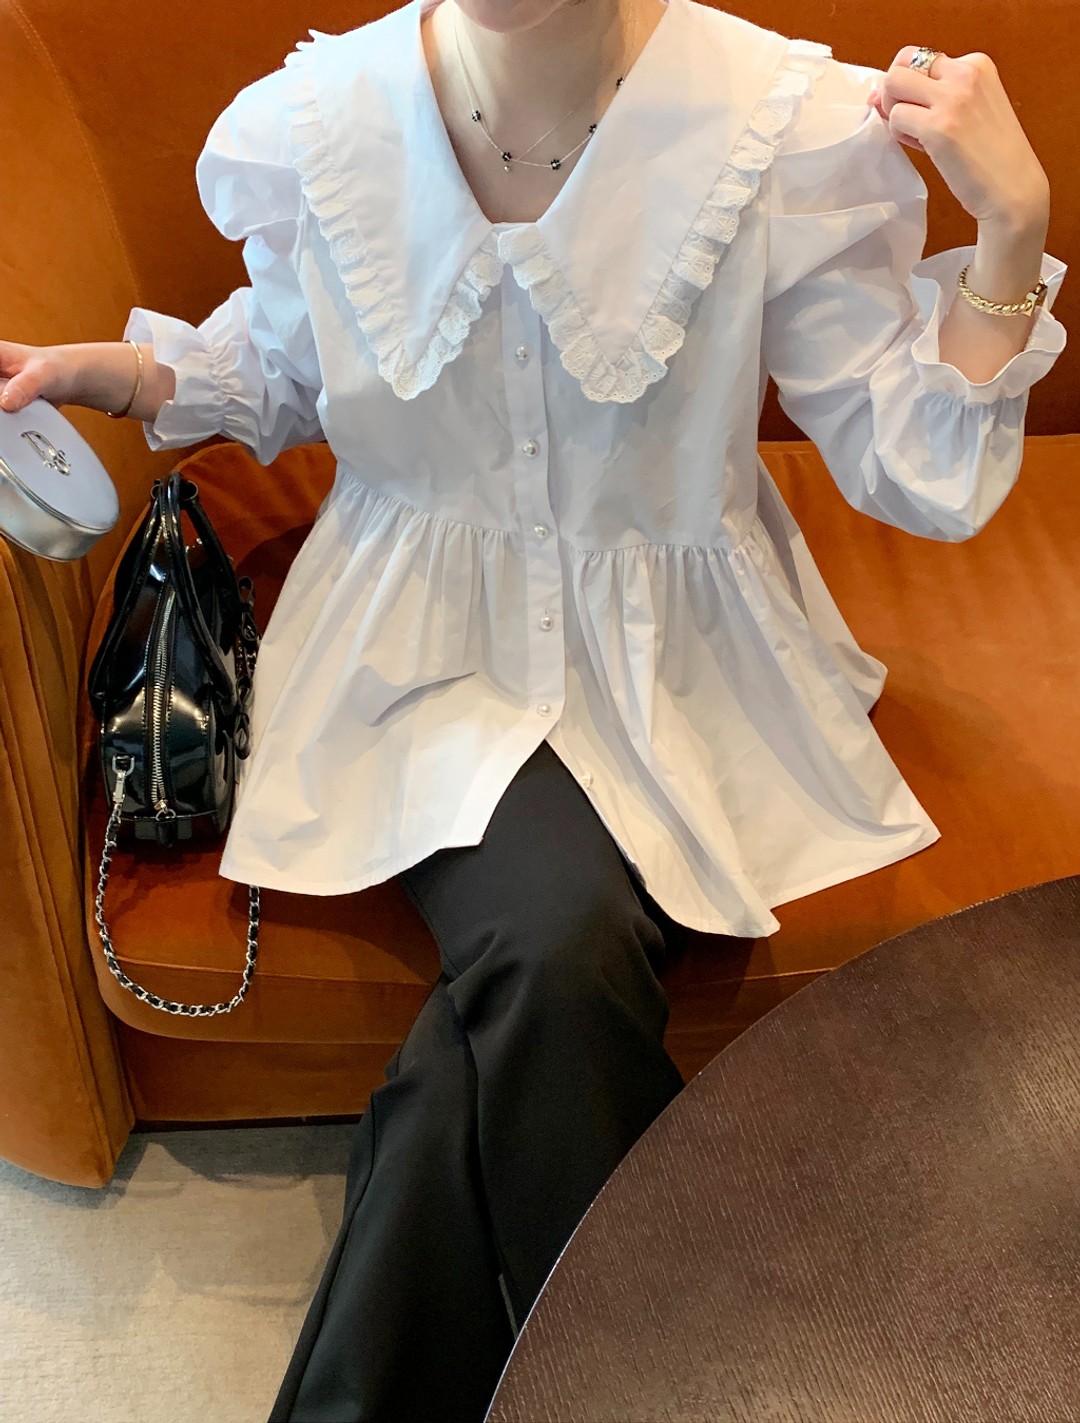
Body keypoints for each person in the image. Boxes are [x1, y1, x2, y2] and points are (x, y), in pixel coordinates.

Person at [0, 0, 1067, 1416]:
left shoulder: (777, 122)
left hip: (689, 660)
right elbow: (291, 366)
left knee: (525, 994)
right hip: (415, 647)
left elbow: (920, 473)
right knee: (558, 942)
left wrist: (1011, 230)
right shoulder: (323, 119)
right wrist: (111, 375)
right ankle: (678, 1384)